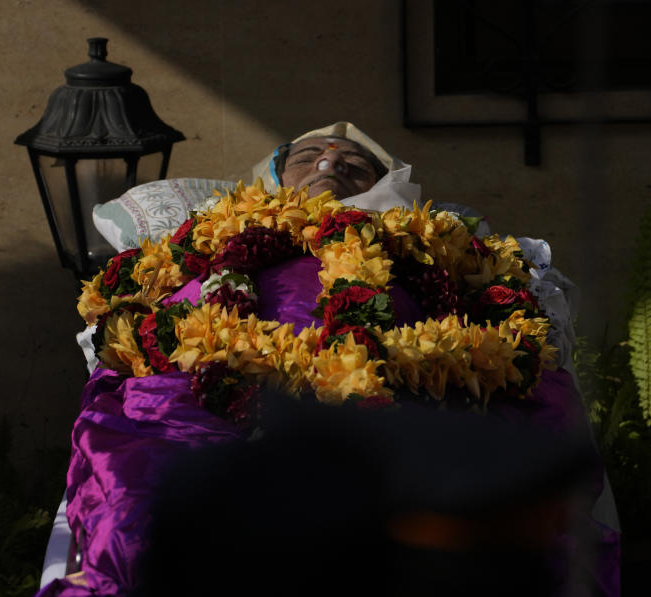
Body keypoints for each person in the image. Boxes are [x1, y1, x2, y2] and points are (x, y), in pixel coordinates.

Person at [39, 123, 620, 596]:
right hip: (203, 385)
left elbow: (507, 330)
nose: (328, 165)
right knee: (142, 511)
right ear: (271, 176)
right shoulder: (204, 236)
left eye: (354, 164)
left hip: (407, 396)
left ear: (384, 184)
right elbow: (137, 319)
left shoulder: (437, 241)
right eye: (309, 155)